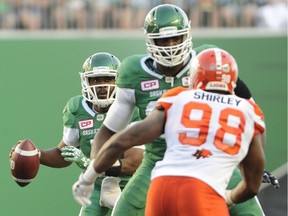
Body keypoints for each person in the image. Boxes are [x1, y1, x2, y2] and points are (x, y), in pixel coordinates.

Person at [75, 4, 276, 216]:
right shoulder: (139, 75)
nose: (170, 46)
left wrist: (92, 173)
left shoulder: (183, 89)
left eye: (176, 39)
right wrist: (252, 169)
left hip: (208, 158)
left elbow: (127, 137)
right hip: (159, 160)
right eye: (163, 40)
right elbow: (110, 131)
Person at [10, 52, 144, 216]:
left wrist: (90, 165)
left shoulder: (132, 107)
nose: (102, 85)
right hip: (97, 183)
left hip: (130, 184)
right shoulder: (77, 109)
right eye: (95, 80)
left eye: (108, 79)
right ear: (85, 81)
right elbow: (63, 153)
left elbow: (135, 162)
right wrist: (35, 155)